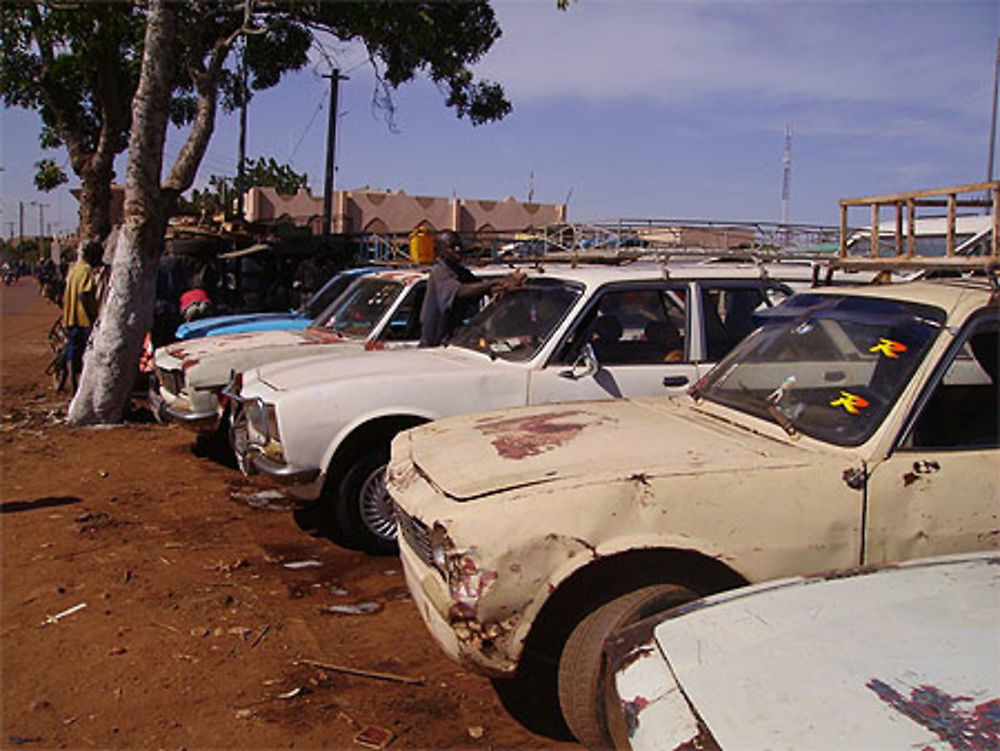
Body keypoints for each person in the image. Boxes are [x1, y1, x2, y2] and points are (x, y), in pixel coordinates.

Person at [419, 230, 526, 347]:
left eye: (459, 246)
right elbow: (461, 291)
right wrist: (496, 282)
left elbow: (480, 286)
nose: (458, 250)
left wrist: (503, 285)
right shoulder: (440, 272)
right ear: (440, 251)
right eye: (452, 247)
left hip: (452, 341)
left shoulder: (460, 272)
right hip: (434, 344)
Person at [60, 241, 103, 393]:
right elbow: (84, 294)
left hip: (70, 317)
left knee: (72, 348)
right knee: (86, 352)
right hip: (83, 319)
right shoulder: (86, 271)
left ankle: (70, 380)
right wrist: (91, 316)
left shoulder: (74, 269)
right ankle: (81, 385)